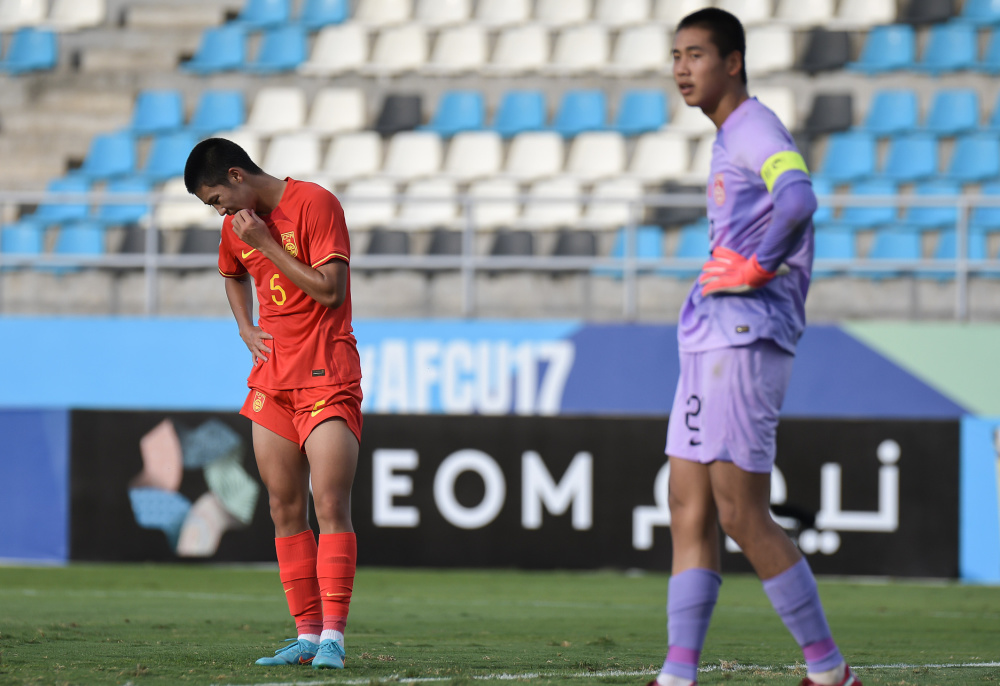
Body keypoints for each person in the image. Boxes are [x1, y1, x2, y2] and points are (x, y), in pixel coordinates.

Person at [653, 9, 860, 686]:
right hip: (710, 334)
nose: (683, 68)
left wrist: (757, 266)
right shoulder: (729, 135)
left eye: (697, 55)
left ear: (733, 62)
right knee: (688, 503)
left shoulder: (754, 127)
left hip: (744, 336)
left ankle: (829, 671)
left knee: (740, 510)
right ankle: (678, 674)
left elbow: (798, 197)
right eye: (677, 55)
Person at [184, 138, 362, 671]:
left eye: (217, 198)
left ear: (238, 176)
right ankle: (306, 635)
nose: (220, 212)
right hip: (272, 377)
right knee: (284, 508)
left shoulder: (314, 204)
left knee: (329, 504)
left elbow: (331, 291)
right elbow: (232, 274)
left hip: (326, 372)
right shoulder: (237, 228)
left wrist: (266, 244)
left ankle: (334, 636)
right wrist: (244, 327)